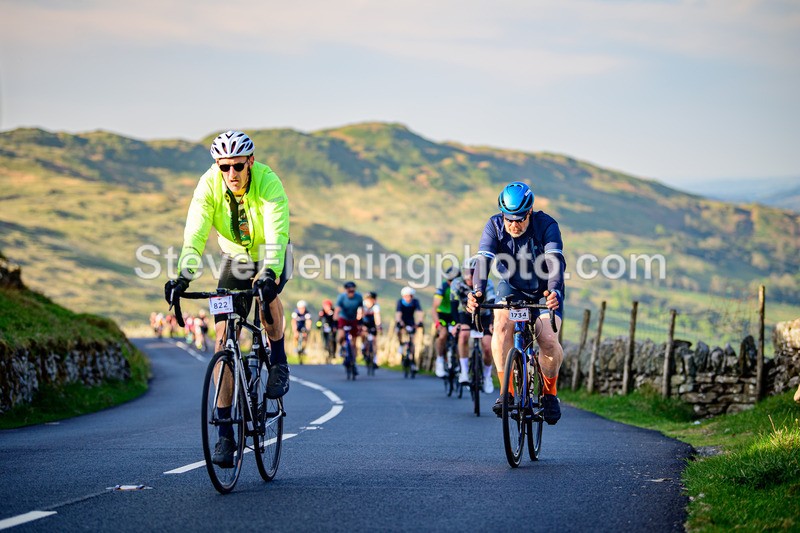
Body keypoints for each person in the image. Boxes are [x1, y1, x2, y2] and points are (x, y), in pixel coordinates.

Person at [164, 130, 291, 467]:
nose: (231, 174)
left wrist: (269, 273)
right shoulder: (208, 186)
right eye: (224, 167)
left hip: (271, 253)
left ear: (250, 162)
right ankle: (225, 436)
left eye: (237, 166)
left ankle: (277, 360)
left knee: (267, 297)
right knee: (223, 341)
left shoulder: (268, 183)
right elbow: (195, 233)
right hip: (235, 258)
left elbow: (277, 234)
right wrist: (183, 275)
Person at [466, 181, 565, 424]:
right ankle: (506, 392)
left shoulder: (547, 225)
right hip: (511, 287)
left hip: (544, 290)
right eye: (509, 218)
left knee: (548, 340)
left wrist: (553, 291)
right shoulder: (494, 226)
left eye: (520, 218)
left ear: (529, 211)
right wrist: (477, 291)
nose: (513, 224)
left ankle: (550, 394)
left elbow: (555, 262)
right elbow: (483, 260)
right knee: (500, 326)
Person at [450, 257, 496, 393]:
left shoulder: (488, 283)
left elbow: (493, 302)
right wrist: (456, 323)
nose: (469, 276)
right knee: (463, 335)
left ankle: (487, 377)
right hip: (465, 314)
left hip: (485, 316)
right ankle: (464, 372)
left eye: (473, 272)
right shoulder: (457, 283)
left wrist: (493, 322)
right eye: (467, 272)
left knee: (487, 347)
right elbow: (453, 305)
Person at [432, 266, 459, 378]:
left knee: (460, 336)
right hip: (442, 314)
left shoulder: (460, 286)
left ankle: (457, 361)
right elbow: (434, 308)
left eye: (452, 280)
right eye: (449, 280)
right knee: (442, 335)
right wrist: (438, 324)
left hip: (454, 315)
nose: (450, 282)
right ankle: (439, 360)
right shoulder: (443, 287)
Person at [334, 281, 364, 373]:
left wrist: (361, 321)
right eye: (349, 291)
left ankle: (353, 362)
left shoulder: (358, 297)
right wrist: (335, 322)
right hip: (343, 318)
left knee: (354, 343)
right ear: (346, 290)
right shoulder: (342, 297)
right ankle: (342, 348)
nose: (351, 293)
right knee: (341, 335)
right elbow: (337, 311)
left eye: (352, 291)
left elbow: (361, 309)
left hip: (353, 319)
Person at [395, 286, 424, 373]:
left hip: (411, 321)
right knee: (398, 330)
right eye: (406, 296)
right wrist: (399, 321)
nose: (408, 298)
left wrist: (420, 322)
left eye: (410, 296)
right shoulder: (400, 302)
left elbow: (419, 312)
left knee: (412, 341)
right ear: (403, 296)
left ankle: (413, 361)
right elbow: (398, 314)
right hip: (402, 321)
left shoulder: (415, 302)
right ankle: (401, 344)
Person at [361, 291, 382, 366]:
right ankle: (363, 346)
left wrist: (379, 326)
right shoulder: (362, 305)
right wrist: (361, 326)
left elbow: (377, 317)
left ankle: (375, 360)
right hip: (364, 323)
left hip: (372, 324)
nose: (370, 301)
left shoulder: (376, 306)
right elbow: (360, 316)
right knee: (363, 334)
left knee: (374, 341)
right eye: (368, 300)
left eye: (372, 299)